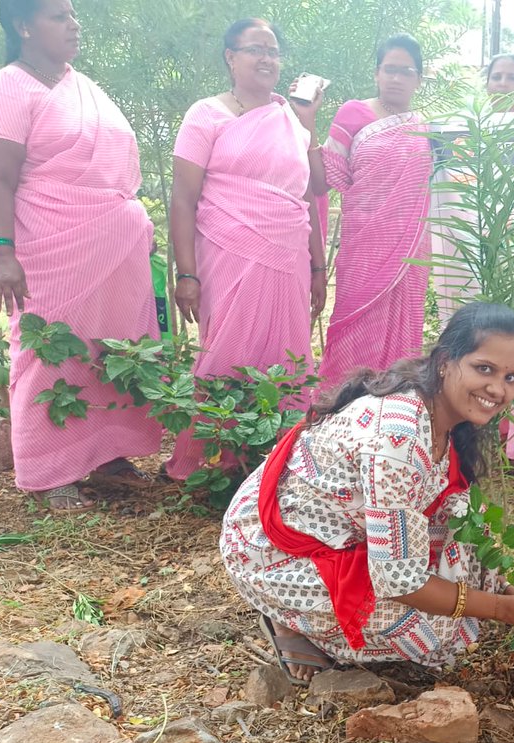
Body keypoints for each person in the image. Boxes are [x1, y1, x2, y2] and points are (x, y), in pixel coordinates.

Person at [221, 304, 514, 681]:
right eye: (484, 369)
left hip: (344, 534)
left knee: (465, 556)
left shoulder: (443, 414)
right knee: (431, 633)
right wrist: (503, 609)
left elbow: (448, 513)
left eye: (512, 376)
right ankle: (292, 620)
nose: (498, 389)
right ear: (444, 361)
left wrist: (513, 593)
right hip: (274, 551)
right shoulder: (398, 437)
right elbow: (400, 580)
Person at [0, 0, 162, 511]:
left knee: (111, 349)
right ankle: (50, 472)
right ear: (22, 25)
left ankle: (107, 455)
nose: (73, 24)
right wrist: (0, 251)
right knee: (49, 350)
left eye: (73, 14)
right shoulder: (7, 87)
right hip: (49, 245)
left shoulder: (85, 86)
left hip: (114, 248)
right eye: (58, 15)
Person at [165, 18, 326, 480]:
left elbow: (313, 190)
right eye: (255, 49)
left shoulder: (290, 120)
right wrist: (187, 273)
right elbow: (183, 198)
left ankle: (280, 461)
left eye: (274, 51)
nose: (267, 59)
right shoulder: (206, 114)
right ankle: (217, 464)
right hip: (228, 249)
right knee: (228, 352)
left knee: (288, 355)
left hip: (289, 254)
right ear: (230, 57)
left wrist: (318, 265)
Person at [299, 34, 432, 388]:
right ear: (376, 73)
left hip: (409, 257)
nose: (396, 78)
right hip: (364, 251)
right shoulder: (353, 113)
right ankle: (341, 412)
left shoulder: (427, 128)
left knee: (403, 347)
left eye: (406, 71)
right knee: (352, 330)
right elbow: (320, 183)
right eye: (389, 69)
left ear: (418, 78)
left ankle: (394, 415)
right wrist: (308, 125)